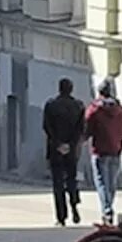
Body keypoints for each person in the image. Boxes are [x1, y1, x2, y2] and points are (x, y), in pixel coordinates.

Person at [83, 78, 122, 225]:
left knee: (101, 183)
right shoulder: (121, 110)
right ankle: (108, 207)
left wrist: (78, 142)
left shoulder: (94, 110)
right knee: (111, 184)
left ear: (99, 92)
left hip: (99, 152)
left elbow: (86, 129)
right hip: (115, 151)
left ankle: (107, 210)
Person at [42, 78, 86, 226]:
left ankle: (61, 217)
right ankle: (74, 205)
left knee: (58, 183)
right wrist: (70, 144)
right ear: (71, 89)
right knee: (72, 180)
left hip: (55, 149)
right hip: (71, 150)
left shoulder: (51, 105)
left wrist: (58, 144)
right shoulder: (78, 106)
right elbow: (80, 129)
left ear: (60, 89)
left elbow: (47, 127)